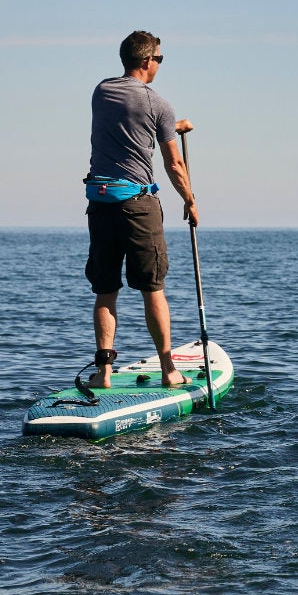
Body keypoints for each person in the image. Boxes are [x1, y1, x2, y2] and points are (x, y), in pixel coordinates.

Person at [82, 30, 199, 389]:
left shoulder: (102, 91)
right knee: (153, 288)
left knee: (106, 290)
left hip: (100, 203)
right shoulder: (158, 104)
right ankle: (169, 370)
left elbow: (131, 126)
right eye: (160, 59)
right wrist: (190, 201)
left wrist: (172, 126)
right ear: (148, 61)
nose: (160, 65)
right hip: (138, 206)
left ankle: (103, 373)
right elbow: (173, 163)